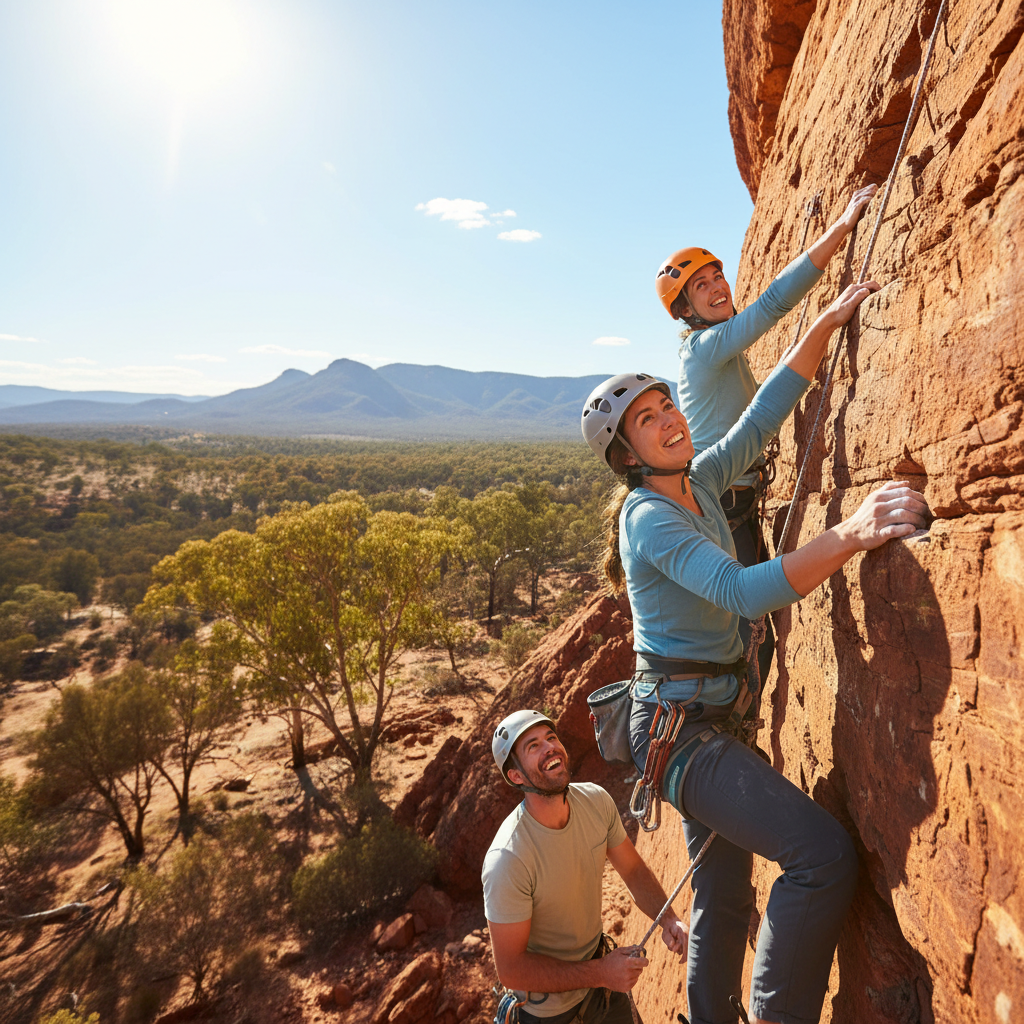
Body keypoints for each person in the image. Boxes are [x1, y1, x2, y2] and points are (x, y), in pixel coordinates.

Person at [580, 279, 930, 1024]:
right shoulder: (648, 517)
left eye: (666, 405)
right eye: (646, 420)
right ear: (626, 455)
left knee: (724, 893)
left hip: (702, 720)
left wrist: (825, 323)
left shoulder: (699, 482)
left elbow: (761, 416)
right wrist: (852, 532)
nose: (669, 419)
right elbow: (742, 592)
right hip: (681, 734)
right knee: (821, 857)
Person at [654, 184, 878, 692]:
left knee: (750, 625)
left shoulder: (711, 345)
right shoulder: (705, 347)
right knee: (749, 627)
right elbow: (772, 305)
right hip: (720, 500)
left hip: (731, 495)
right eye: (701, 286)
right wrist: (842, 227)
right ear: (685, 309)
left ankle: (740, 707)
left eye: (717, 276)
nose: (717, 288)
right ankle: (738, 713)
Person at [483, 709, 688, 1024]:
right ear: (516, 776)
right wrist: (601, 972)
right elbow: (511, 969)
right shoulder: (508, 858)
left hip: (601, 987)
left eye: (551, 737)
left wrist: (669, 919)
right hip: (549, 1013)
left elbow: (632, 871)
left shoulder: (595, 802)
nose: (550, 747)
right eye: (533, 746)